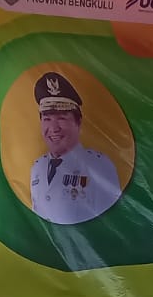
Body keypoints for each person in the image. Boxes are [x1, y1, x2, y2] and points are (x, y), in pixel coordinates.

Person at [29, 70, 122, 224]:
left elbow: (113, 223)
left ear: (78, 122)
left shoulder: (99, 166)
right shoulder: (37, 168)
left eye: (61, 118)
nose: (53, 128)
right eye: (47, 119)